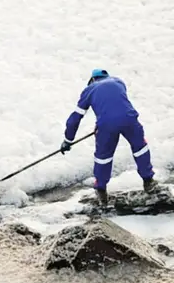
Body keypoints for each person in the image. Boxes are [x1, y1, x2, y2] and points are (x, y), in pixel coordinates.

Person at [60, 69, 157, 204]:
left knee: (103, 158)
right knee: (140, 148)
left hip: (106, 125)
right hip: (130, 119)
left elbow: (75, 119)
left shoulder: (89, 90)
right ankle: (149, 181)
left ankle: (101, 191)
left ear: (93, 80)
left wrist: (68, 140)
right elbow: (115, 105)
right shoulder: (118, 82)